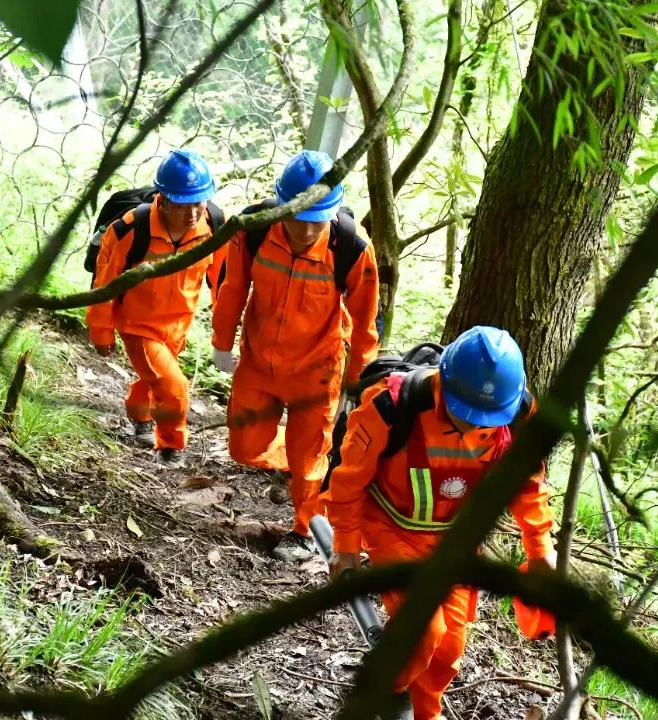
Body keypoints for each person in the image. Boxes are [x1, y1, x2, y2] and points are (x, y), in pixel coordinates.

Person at [321, 326, 556, 720]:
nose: (471, 426)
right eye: (464, 414)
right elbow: (349, 479)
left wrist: (540, 551)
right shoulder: (393, 405)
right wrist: (345, 546)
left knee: (448, 650)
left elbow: (528, 485)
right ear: (444, 383)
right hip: (391, 529)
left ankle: (423, 714)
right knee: (423, 631)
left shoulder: (518, 416)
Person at [210, 149, 380, 562]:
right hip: (258, 360)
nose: (304, 231)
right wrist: (221, 342)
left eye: (314, 220)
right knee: (244, 448)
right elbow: (232, 286)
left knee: (309, 461)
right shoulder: (254, 228)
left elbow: (364, 321)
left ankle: (304, 529)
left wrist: (359, 381)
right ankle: (295, 465)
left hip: (316, 371)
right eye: (296, 217)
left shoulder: (352, 248)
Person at [86, 149, 226, 468]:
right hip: (139, 326)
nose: (192, 212)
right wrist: (101, 331)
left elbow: (224, 281)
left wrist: (226, 330)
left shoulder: (216, 225)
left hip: (178, 328)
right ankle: (171, 447)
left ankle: (139, 416)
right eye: (182, 203)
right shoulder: (130, 229)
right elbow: (105, 284)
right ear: (164, 197)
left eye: (199, 202)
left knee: (155, 380)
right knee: (174, 386)